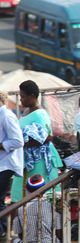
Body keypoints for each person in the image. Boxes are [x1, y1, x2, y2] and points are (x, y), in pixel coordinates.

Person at [11, 80, 63, 203]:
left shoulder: (40, 114)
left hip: (38, 161)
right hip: (27, 160)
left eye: (23, 97)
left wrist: (19, 142)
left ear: (33, 96)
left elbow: (43, 138)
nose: (21, 100)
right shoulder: (26, 111)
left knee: (40, 196)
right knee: (19, 195)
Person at [0, 91, 24, 238]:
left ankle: (3, 232)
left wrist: (1, 145)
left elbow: (18, 141)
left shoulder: (7, 116)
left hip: (6, 164)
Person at [12, 174, 62, 243]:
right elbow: (59, 233)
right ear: (44, 190)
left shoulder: (20, 208)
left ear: (26, 189)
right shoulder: (52, 206)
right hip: (49, 241)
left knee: (14, 240)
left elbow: (20, 235)